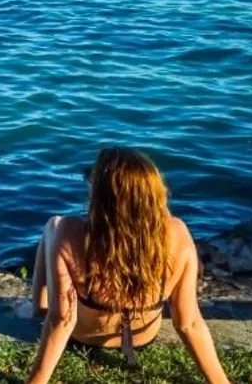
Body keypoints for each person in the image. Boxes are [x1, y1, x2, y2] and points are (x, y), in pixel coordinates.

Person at [25, 147, 229, 384]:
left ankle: (36, 308)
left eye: (92, 179)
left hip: (83, 337)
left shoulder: (70, 233)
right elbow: (188, 322)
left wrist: (36, 381)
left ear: (101, 195)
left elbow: (62, 320)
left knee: (53, 224)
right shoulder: (177, 233)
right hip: (143, 338)